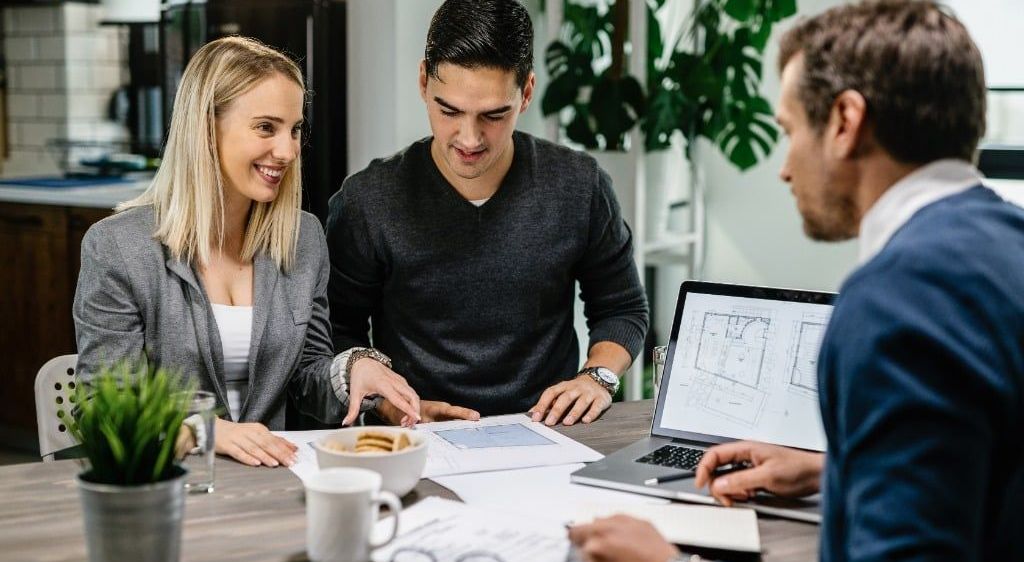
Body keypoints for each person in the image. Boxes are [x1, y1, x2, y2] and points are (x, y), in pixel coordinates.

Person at [570, 1, 1024, 560]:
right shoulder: (1008, 246)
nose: (785, 167)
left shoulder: (897, 301)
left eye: (789, 130)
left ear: (844, 123)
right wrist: (838, 472)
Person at [73, 37, 421, 468]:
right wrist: (206, 431)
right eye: (266, 127)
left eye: (295, 129)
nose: (289, 151)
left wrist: (351, 372)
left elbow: (305, 374)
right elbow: (103, 412)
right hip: (170, 485)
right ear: (205, 128)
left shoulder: (303, 238)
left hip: (276, 482)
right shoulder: (118, 249)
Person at [327, 0, 648, 427]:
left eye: (494, 115)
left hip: (550, 435)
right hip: (415, 438)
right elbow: (335, 332)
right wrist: (389, 403)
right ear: (423, 82)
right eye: (449, 111)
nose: (469, 138)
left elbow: (622, 308)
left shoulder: (578, 185)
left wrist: (597, 378)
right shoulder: (369, 201)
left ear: (527, 92)